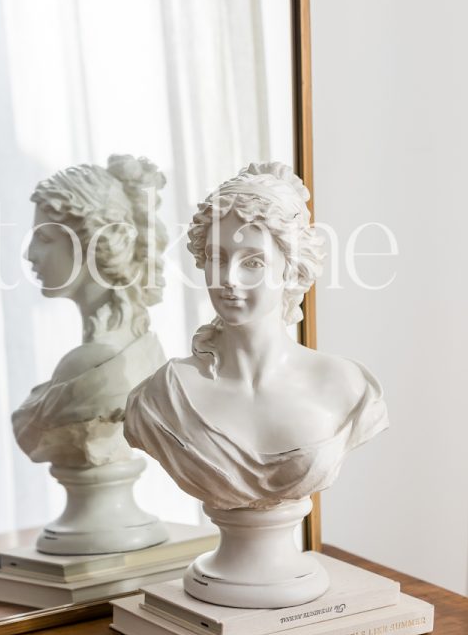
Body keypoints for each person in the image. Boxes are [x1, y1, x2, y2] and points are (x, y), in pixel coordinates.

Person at [124, 161, 388, 511]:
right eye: (216, 258)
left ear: (291, 269)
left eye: (253, 263)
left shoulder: (346, 387)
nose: (229, 278)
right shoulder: (163, 396)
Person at [12, 154, 167, 469]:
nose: (30, 254)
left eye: (44, 238)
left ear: (93, 242)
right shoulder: (143, 350)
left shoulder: (88, 366)